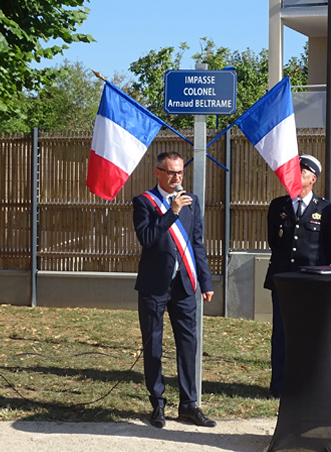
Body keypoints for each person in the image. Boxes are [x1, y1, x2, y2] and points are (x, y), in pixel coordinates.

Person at [132, 150, 216, 428]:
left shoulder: (192, 202)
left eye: (180, 172)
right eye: (171, 172)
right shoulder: (144, 202)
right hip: (154, 285)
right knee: (153, 345)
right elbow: (147, 237)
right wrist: (172, 211)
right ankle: (157, 403)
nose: (177, 178)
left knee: (188, 345)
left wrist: (205, 281)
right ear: (158, 172)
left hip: (184, 285)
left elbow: (197, 243)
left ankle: (189, 405)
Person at [264, 154, 331, 398]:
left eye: (302, 172)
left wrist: (313, 270)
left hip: (310, 281)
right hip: (283, 279)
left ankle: (306, 385)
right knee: (281, 333)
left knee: (308, 333)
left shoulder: (326, 209)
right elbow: (273, 241)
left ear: (313, 179)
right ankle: (278, 385)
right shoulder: (279, 206)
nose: (296, 176)